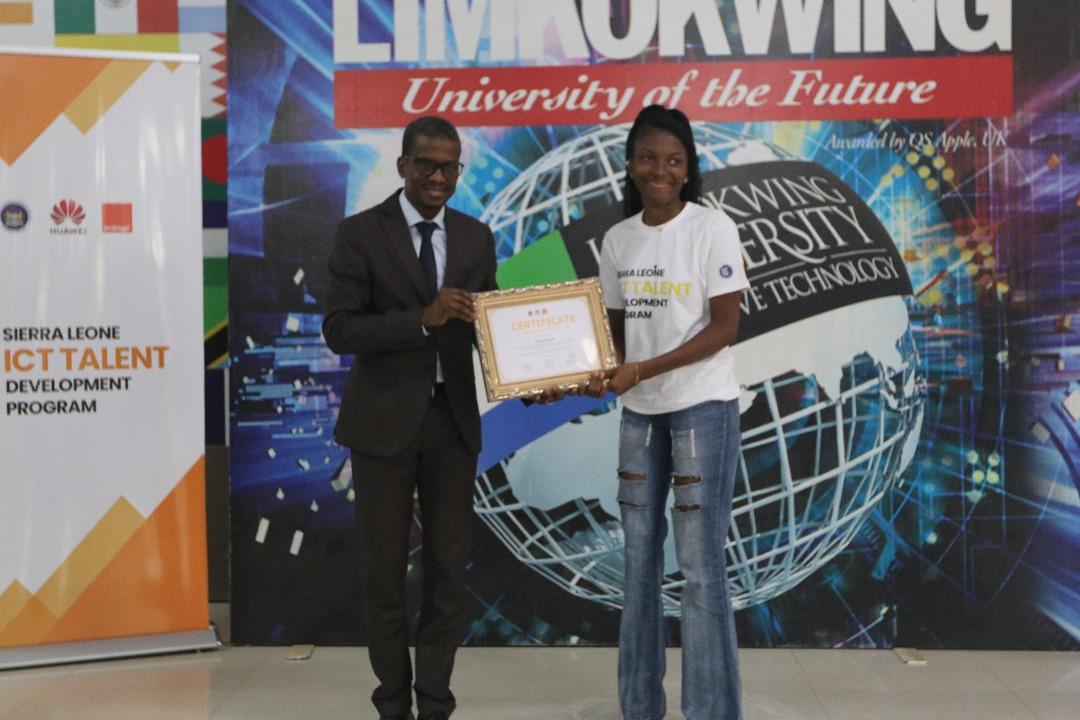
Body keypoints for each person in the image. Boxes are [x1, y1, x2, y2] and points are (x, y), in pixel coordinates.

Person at [573, 104, 749, 720]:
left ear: (688, 167)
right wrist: (575, 375)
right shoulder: (619, 241)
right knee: (638, 565)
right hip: (639, 417)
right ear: (630, 163)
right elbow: (614, 340)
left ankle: (712, 712)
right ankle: (639, 708)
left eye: (674, 160)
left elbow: (725, 326)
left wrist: (639, 370)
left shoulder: (711, 229)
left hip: (702, 408)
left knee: (700, 570)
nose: (660, 170)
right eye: (649, 157)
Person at [322, 115, 497, 720]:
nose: (439, 177)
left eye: (450, 166)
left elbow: (490, 335)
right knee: (384, 575)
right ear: (402, 167)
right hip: (381, 427)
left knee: (448, 573)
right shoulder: (359, 235)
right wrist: (422, 318)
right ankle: (391, 704)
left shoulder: (477, 238)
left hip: (452, 426)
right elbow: (340, 330)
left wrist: (536, 376)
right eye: (426, 164)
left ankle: (436, 705)